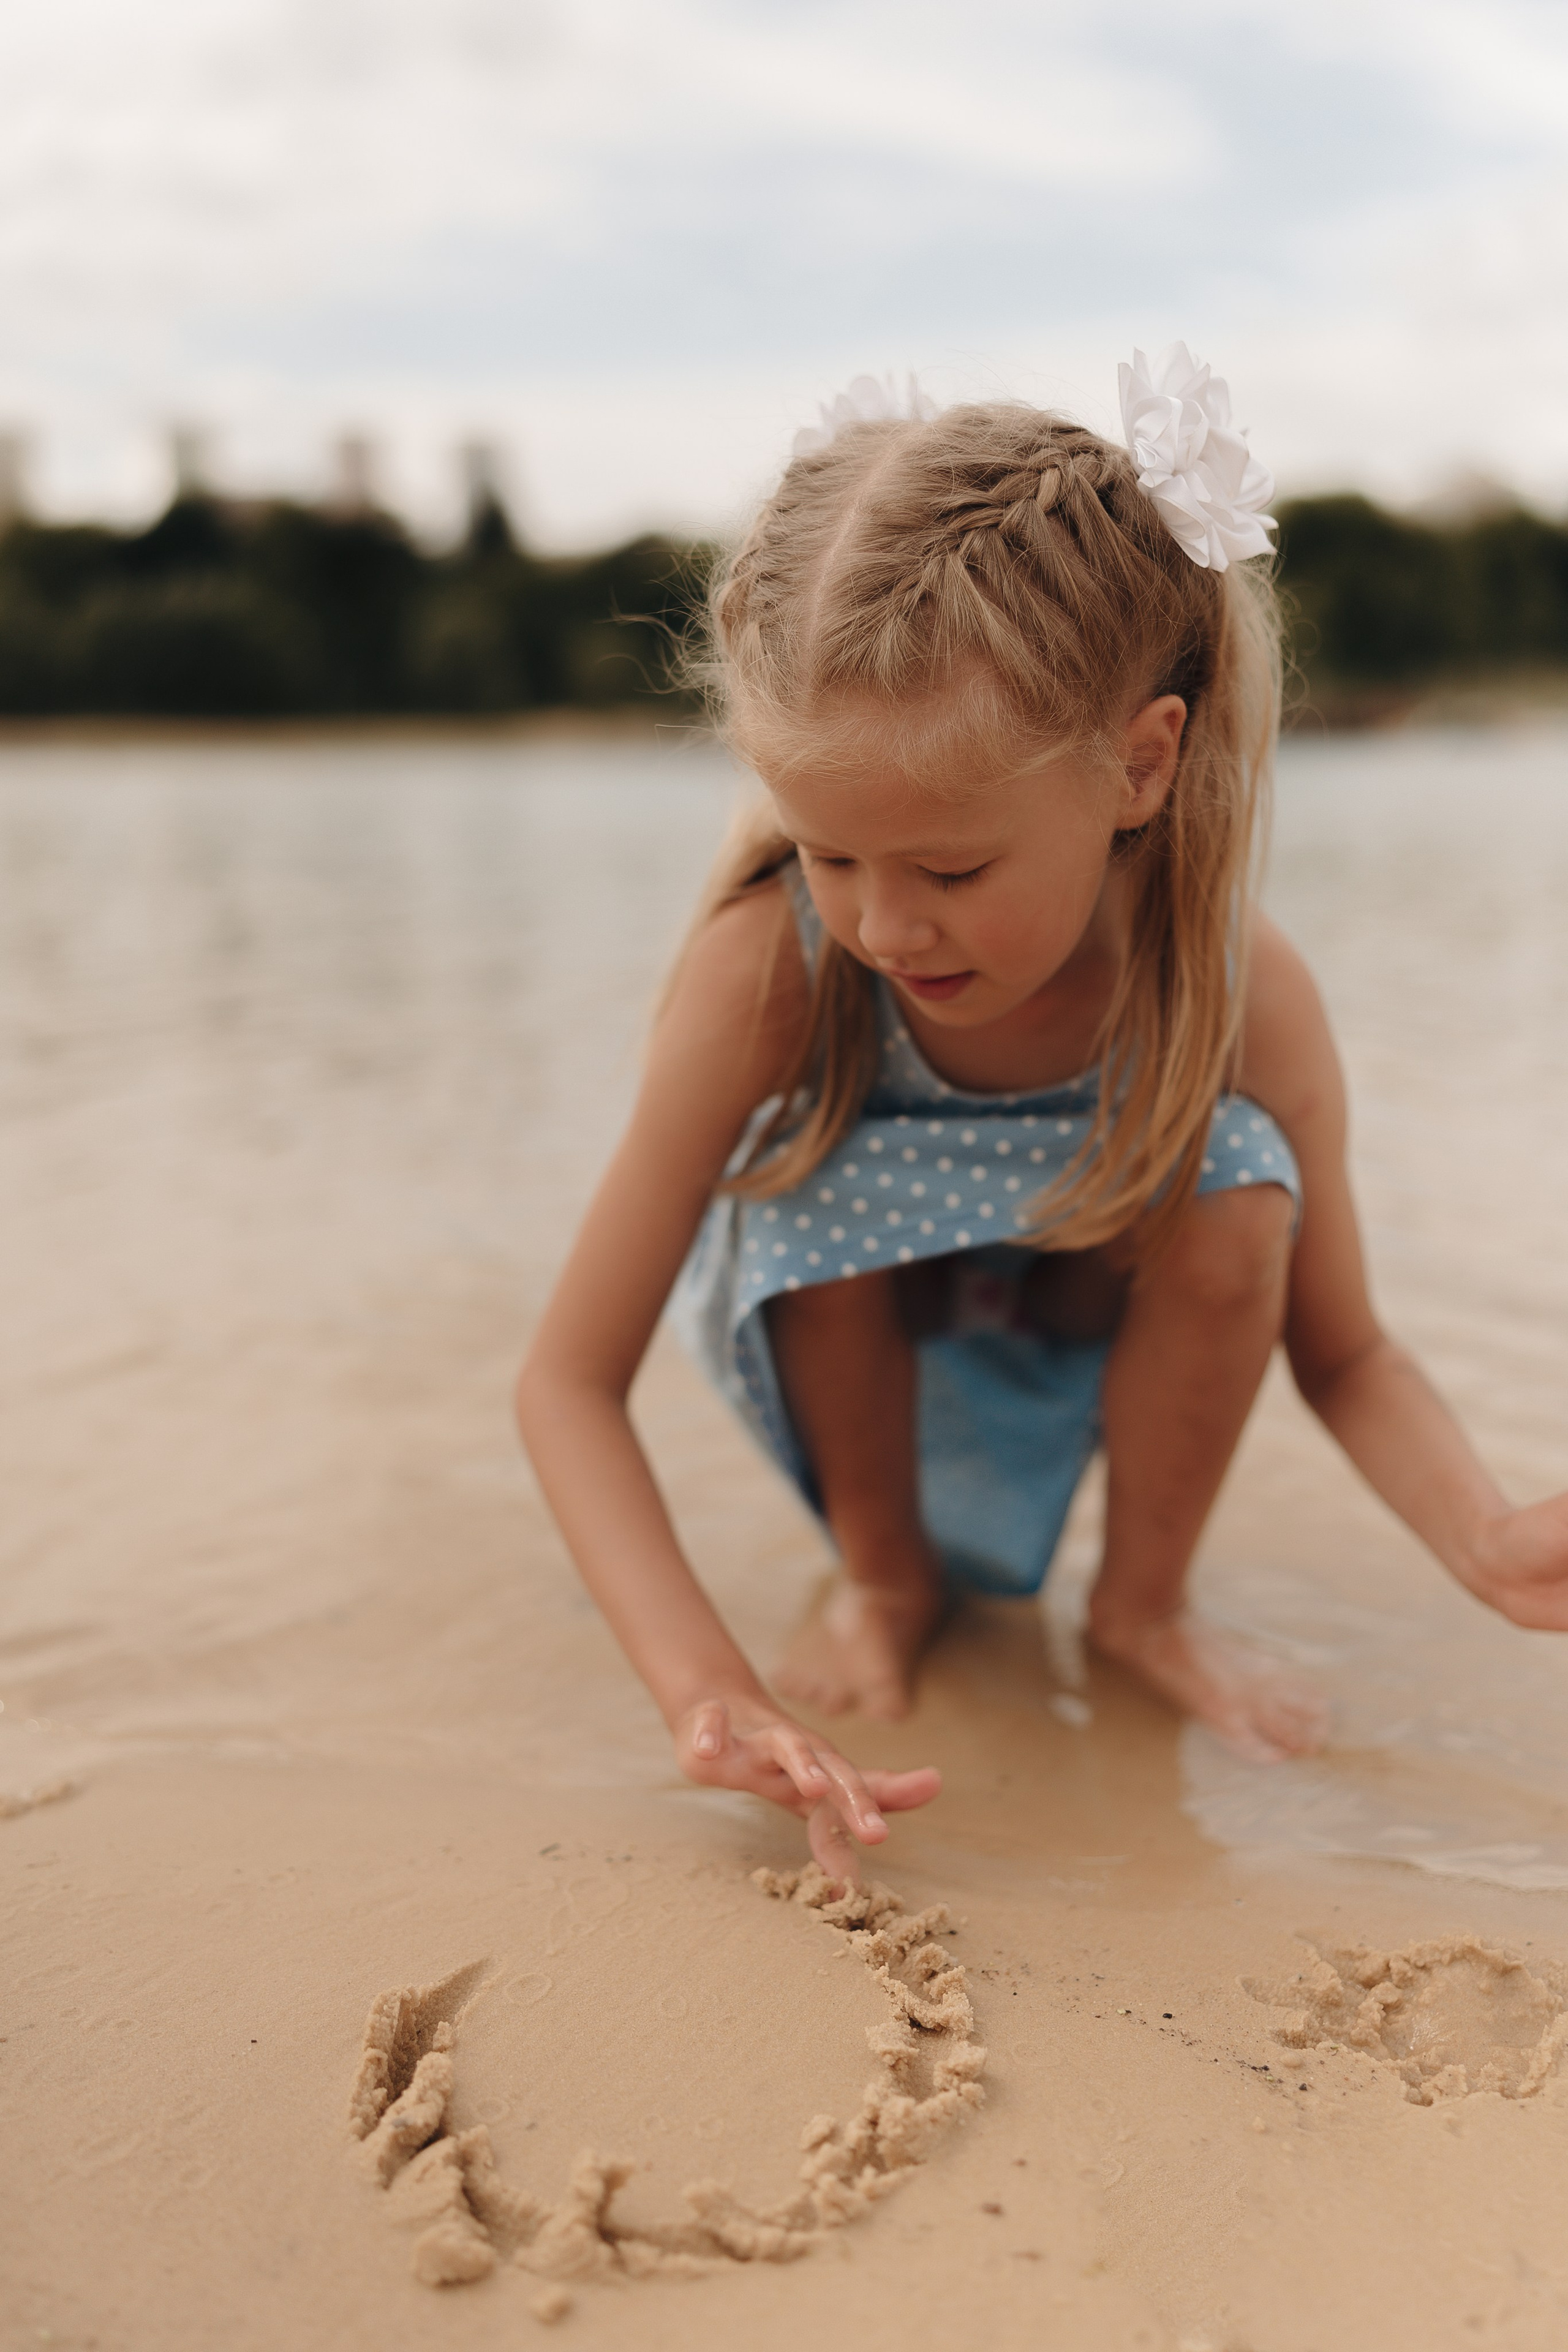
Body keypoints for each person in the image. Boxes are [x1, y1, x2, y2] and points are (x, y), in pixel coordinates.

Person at [516, 350, 1568, 1883]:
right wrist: (707, 1697)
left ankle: (1142, 1605)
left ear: (1138, 764)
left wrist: (1481, 1539)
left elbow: (1339, 1347)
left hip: (1096, 1276)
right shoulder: (770, 968)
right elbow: (564, 1382)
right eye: (828, 853)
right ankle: (884, 1581)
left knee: (1237, 1180)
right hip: (855, 1311)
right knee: (805, 1192)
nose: (885, 926)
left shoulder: (1232, 987)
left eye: (949, 870)